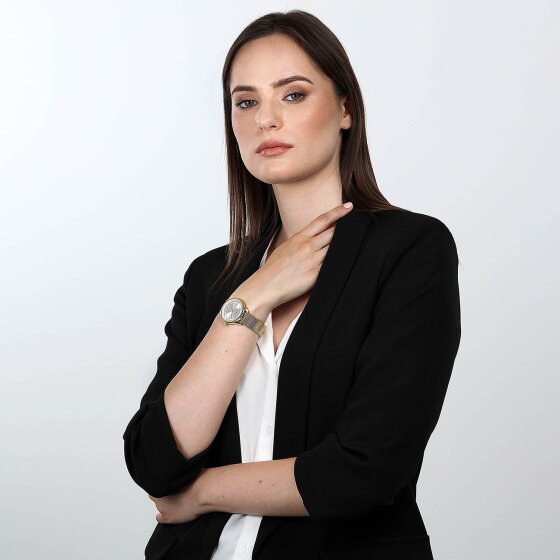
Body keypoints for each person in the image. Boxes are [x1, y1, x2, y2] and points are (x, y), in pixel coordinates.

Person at [123, 9, 461, 560]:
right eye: (246, 102)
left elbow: (367, 468)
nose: (266, 119)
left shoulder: (409, 250)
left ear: (345, 108)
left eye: (294, 94)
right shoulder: (211, 277)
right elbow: (153, 461)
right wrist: (253, 296)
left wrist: (203, 492)